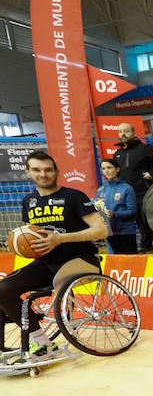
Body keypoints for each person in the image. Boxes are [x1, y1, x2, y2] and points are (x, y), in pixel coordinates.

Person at [0, 151, 108, 363]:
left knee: (51, 285)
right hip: (46, 262)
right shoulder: (28, 201)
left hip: (81, 259)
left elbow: (101, 230)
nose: (43, 174)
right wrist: (19, 244)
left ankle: (41, 340)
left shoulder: (73, 196)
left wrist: (60, 238)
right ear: (28, 172)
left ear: (57, 171)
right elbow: (30, 234)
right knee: (3, 290)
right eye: (37, 170)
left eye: (48, 169)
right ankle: (43, 343)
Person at [113, 122, 153, 251]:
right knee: (130, 222)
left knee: (145, 221)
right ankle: (133, 249)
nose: (123, 134)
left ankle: (147, 247)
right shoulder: (117, 153)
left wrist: (152, 173)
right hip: (125, 195)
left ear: (134, 133)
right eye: (120, 132)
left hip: (142, 192)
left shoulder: (145, 148)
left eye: (126, 131)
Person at [96, 159, 138, 254]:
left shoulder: (127, 188)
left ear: (117, 169)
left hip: (126, 232)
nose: (106, 171)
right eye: (103, 168)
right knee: (117, 264)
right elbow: (98, 210)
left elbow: (132, 211)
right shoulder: (100, 190)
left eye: (109, 167)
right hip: (109, 232)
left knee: (131, 263)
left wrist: (115, 214)